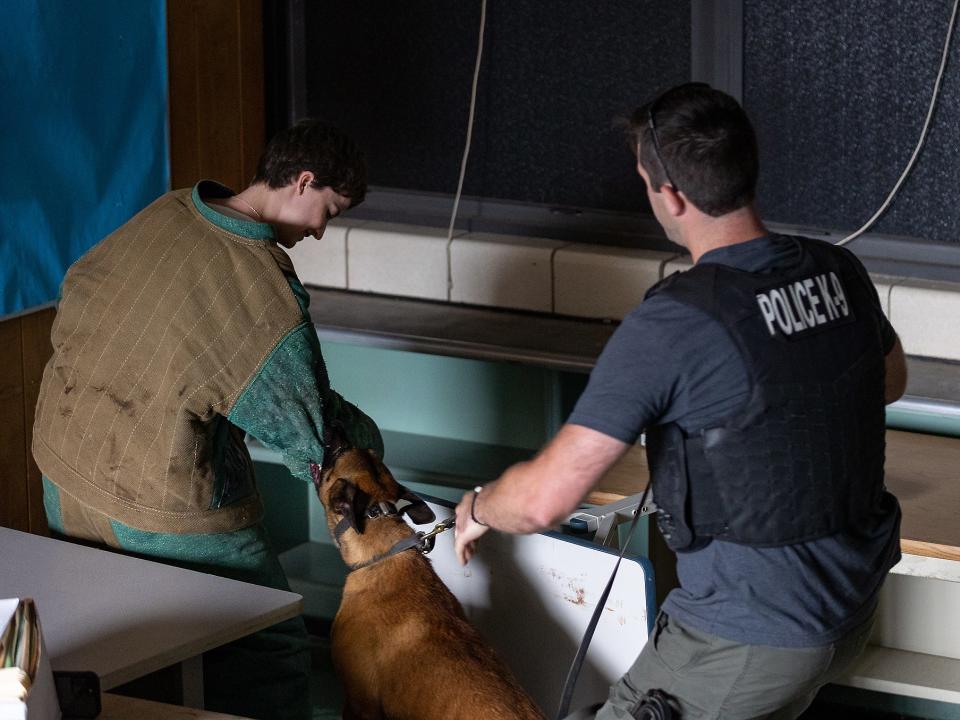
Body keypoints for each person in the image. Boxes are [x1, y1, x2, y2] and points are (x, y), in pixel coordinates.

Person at [453, 84, 908, 720]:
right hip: (848, 613)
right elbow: (889, 383)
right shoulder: (839, 271)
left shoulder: (676, 322)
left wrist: (478, 507)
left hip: (743, 638)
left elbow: (541, 501)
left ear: (670, 195)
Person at [32, 119, 383, 720]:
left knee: (135, 644)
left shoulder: (168, 213)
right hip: (152, 503)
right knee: (264, 647)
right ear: (302, 182)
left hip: (62, 473)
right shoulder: (258, 287)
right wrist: (371, 444)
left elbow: (81, 293)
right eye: (330, 210)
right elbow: (316, 435)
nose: (322, 231)